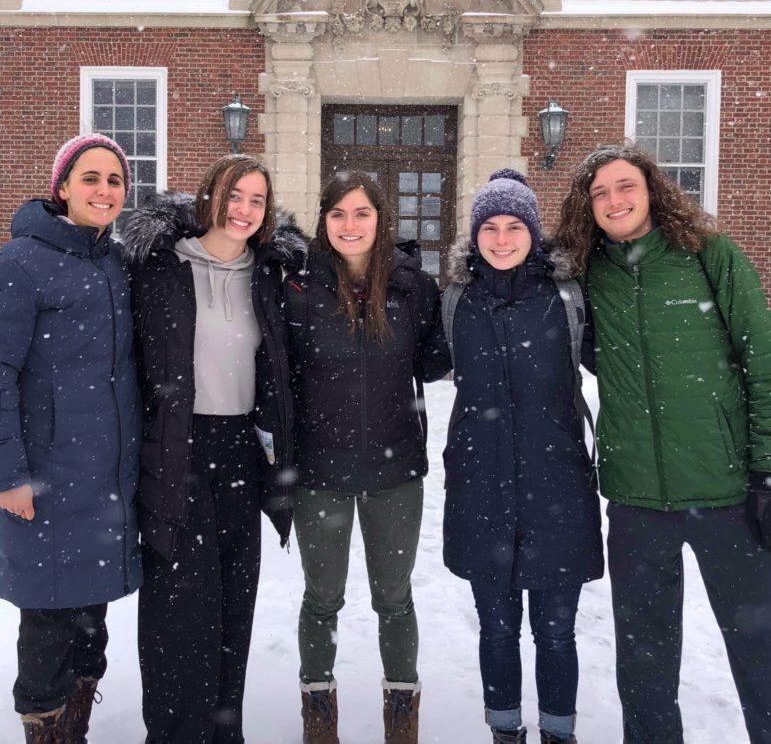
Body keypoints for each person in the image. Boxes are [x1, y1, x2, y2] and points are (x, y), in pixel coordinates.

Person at [553, 143, 771, 744]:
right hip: (636, 497)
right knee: (644, 666)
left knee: (760, 649)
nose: (614, 201)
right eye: (599, 194)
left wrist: (766, 470)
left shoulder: (708, 256)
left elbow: (763, 359)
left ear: (652, 189)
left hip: (725, 489)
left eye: (625, 187)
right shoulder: (589, 274)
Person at [122, 154, 302, 744]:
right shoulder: (158, 270)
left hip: (242, 449)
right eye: (233, 195)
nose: (243, 209)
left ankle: (226, 729)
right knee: (177, 606)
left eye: (256, 199)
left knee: (232, 600)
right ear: (209, 197)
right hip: (177, 446)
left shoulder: (270, 277)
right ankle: (176, 732)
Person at [284, 170, 451, 744]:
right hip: (319, 472)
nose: (350, 226)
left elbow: (435, 361)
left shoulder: (413, 287)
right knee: (322, 596)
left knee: (394, 597)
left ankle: (401, 711)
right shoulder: (298, 285)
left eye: (362, 214)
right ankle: (318, 711)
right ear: (323, 221)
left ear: (381, 221)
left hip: (395, 471)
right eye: (338, 215)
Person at [441, 169, 603, 744]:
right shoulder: (457, 300)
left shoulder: (566, 298)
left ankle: (560, 732)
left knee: (557, 633)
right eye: (490, 226)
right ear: (475, 234)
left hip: (557, 488)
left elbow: (626, 367)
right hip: (480, 489)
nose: (502, 238)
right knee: (496, 631)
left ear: (533, 232)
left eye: (515, 226)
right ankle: (504, 730)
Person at [0, 134, 142, 744]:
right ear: (62, 187)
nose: (103, 190)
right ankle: (45, 728)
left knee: (91, 622)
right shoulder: (21, 262)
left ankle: (75, 725)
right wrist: (9, 476)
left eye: (114, 180)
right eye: (90, 178)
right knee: (49, 622)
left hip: (106, 481)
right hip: (48, 481)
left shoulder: (114, 262)